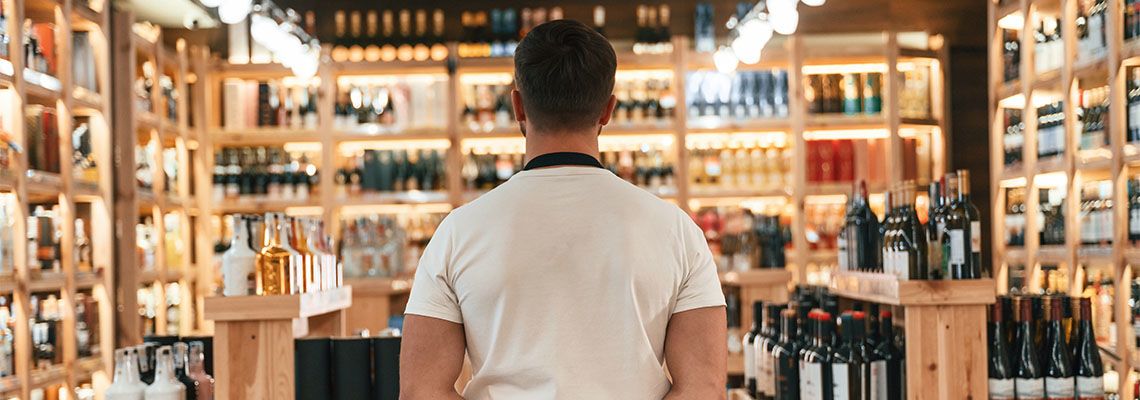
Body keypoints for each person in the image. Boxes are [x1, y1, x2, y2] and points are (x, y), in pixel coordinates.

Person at [400, 19, 727, 400]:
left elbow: (420, 391)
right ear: (607, 110)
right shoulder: (677, 230)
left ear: (518, 105)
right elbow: (705, 389)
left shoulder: (457, 233)